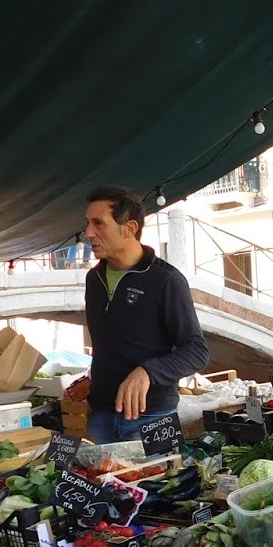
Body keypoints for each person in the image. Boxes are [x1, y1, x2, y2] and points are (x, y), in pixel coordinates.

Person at [81, 185, 210, 444]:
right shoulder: (93, 278)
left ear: (129, 228)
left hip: (153, 417)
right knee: (97, 483)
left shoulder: (166, 280)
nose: (88, 233)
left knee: (157, 485)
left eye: (98, 224)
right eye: (87, 224)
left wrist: (148, 371)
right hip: (100, 415)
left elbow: (197, 350)